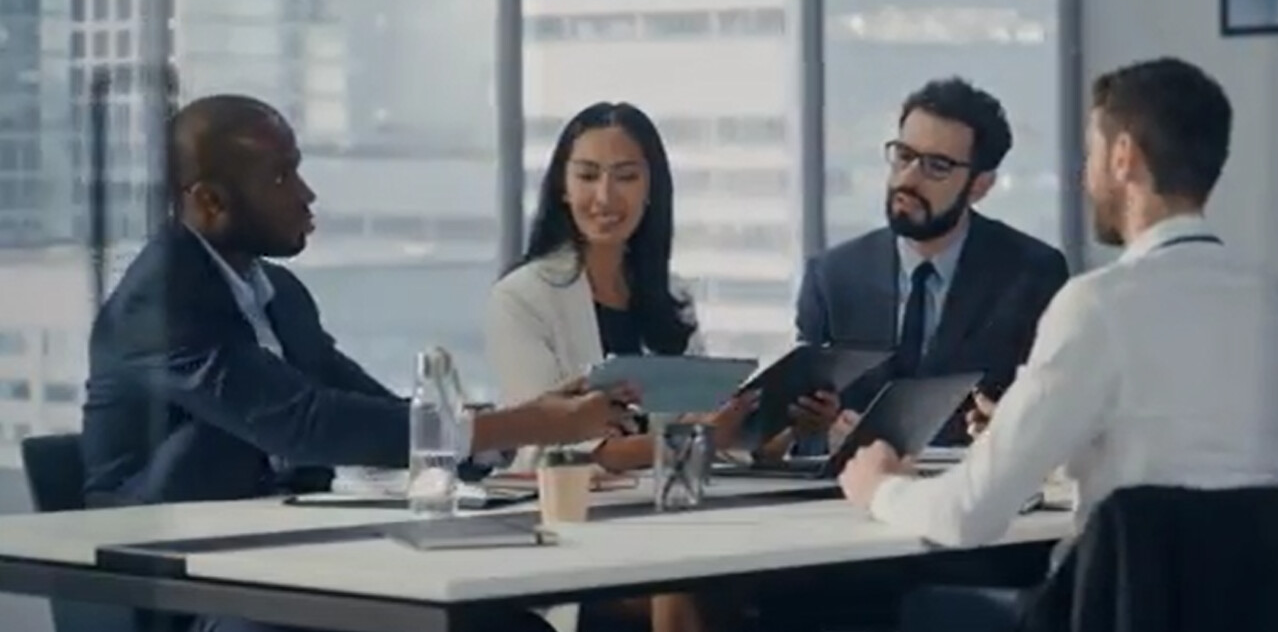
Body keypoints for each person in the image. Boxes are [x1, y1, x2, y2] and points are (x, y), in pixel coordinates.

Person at [81, 95, 629, 632]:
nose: (306, 193)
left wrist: (519, 426)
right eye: (281, 177)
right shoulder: (157, 304)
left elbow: (366, 405)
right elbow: (306, 423)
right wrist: (527, 424)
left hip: (287, 547)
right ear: (210, 202)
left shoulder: (278, 293)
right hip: (183, 577)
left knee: (507, 626)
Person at [837, 58, 1278, 632]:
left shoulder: (1098, 305)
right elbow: (1219, 470)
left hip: (1119, 613)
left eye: (1090, 154)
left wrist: (880, 487)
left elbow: (968, 515)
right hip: (1260, 616)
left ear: (1123, 157)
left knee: (895, 610)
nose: (1082, 177)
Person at [485, 102, 752, 632]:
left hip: (666, 516)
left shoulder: (671, 296)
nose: (605, 197)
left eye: (626, 177)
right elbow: (568, 443)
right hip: (572, 527)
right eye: (587, 176)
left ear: (651, 189)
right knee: (681, 579)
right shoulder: (522, 298)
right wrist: (699, 439)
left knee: (749, 576)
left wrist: (757, 424)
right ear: (562, 187)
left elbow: (699, 413)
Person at [786, 78, 1069, 451]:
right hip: (850, 485)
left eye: (937, 166)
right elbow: (799, 433)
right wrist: (824, 432)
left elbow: (1054, 416)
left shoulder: (1032, 275)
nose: (908, 179)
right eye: (904, 156)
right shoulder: (833, 278)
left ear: (980, 185)